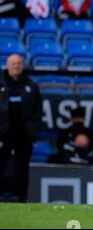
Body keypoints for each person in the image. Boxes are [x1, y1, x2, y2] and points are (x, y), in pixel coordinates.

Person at [0, 54, 43, 202]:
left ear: (22, 65)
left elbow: (38, 111)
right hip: (3, 133)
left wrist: (33, 128)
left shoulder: (31, 86)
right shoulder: (1, 83)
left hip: (23, 134)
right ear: (7, 65)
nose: (16, 66)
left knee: (22, 168)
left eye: (18, 63)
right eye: (13, 63)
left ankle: (21, 199)